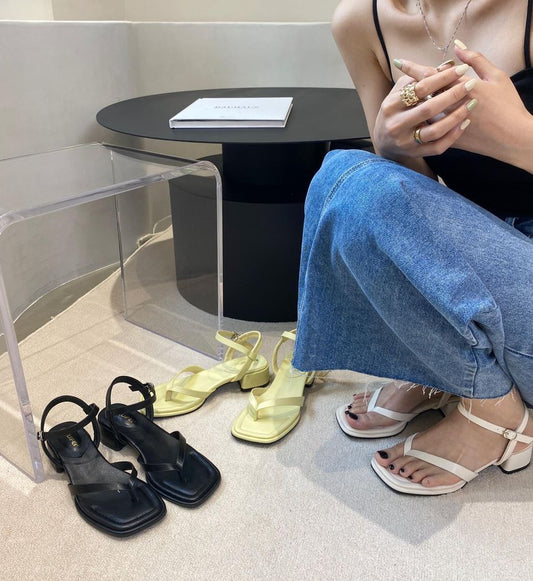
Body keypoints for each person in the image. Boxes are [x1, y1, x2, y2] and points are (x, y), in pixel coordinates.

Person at [292, 0, 533, 495]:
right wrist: (394, 148)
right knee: (349, 180)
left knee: (354, 182)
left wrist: (516, 135)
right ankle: (452, 370)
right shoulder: (361, 22)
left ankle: (492, 407)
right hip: (495, 274)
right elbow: (407, 204)